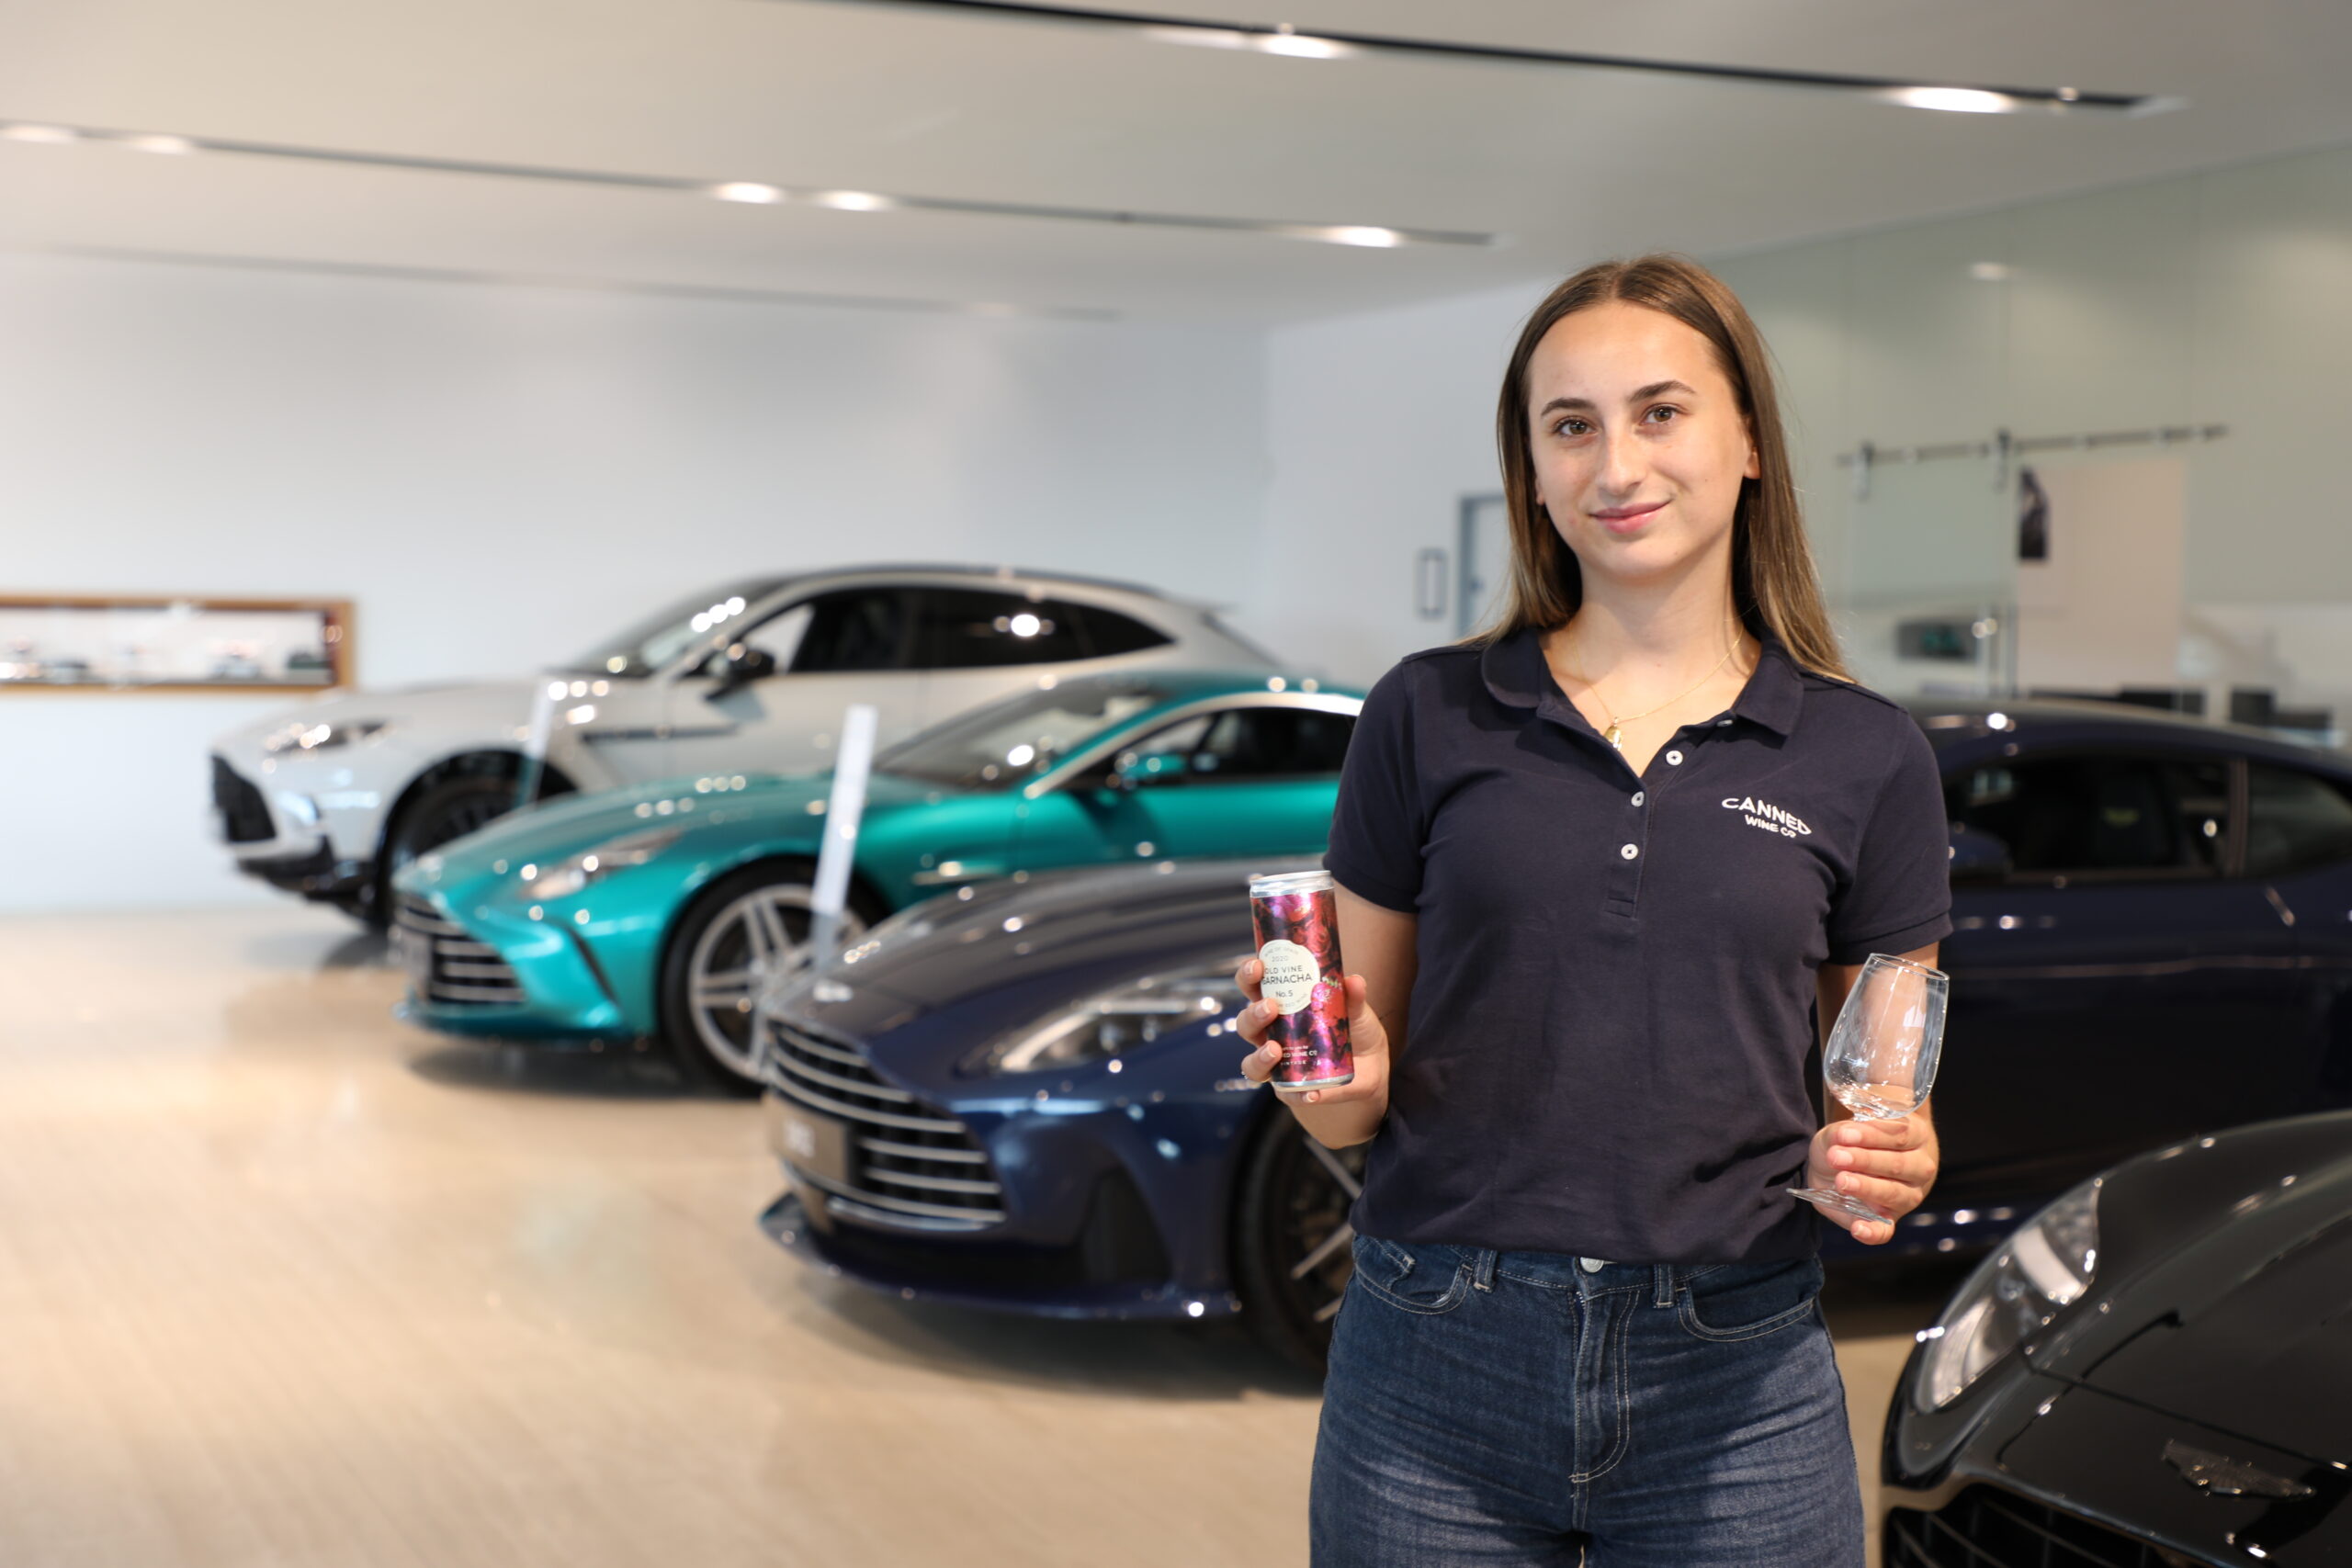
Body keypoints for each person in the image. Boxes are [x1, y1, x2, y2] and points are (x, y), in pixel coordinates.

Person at [1235, 254, 1951, 1567]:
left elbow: (1883, 1107)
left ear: (1747, 443)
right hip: (1434, 1356)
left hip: (1735, 1380)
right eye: (1571, 425)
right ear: (1535, 470)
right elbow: (1350, 1098)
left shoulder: (1864, 755)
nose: (1616, 462)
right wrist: (1323, 1067)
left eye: (1660, 411)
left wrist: (1890, 1163)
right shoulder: (1426, 711)